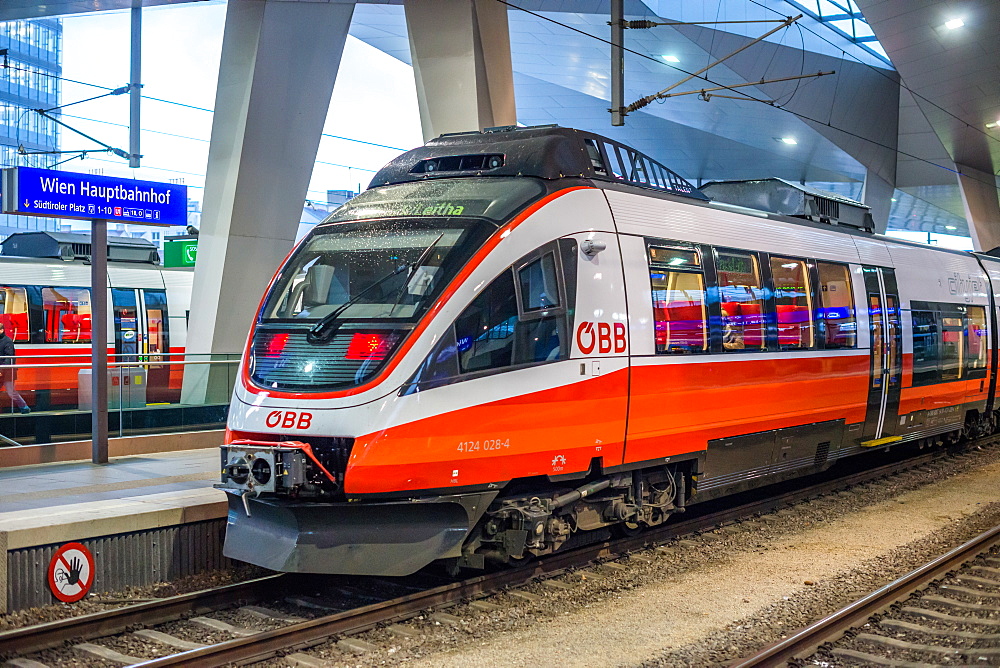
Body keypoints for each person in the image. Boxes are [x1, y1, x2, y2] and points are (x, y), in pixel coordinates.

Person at [0, 323, 29, 414]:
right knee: (11, 391)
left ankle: (24, 407)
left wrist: (2, 370)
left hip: (7, 372)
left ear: (1, 330)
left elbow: (9, 358)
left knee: (11, 392)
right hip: (2, 371)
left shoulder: (7, 341)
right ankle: (24, 407)